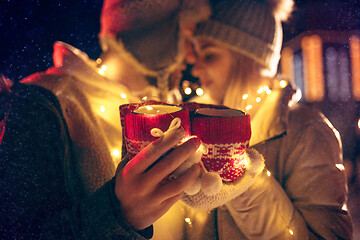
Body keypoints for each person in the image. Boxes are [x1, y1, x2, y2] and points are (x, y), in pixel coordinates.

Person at [0, 0, 211, 239]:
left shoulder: (170, 111)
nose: (193, 55)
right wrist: (118, 214)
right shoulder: (42, 105)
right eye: (186, 33)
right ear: (154, 32)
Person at [167, 0, 352, 239]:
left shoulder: (307, 130)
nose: (198, 69)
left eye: (210, 55)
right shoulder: (197, 130)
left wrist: (243, 183)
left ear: (249, 59)